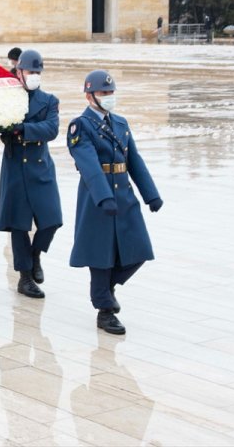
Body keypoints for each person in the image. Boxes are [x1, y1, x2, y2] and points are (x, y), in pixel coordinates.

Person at [66, 70, 163, 334]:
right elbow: (89, 165)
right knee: (101, 254)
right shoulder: (80, 126)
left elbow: (134, 161)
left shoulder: (120, 123)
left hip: (124, 194)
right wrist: (104, 197)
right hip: (97, 198)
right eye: (103, 93)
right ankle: (104, 310)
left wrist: (150, 194)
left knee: (139, 249)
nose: (108, 97)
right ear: (89, 96)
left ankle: (105, 289)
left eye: (111, 92)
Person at [0, 49, 62, 300]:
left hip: (40, 165)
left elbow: (51, 129)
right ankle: (25, 277)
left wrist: (22, 128)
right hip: (15, 166)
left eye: (37, 71)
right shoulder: (8, 98)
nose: (34, 75)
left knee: (52, 219)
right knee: (19, 225)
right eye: (29, 71)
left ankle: (35, 255)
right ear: (19, 71)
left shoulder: (49, 100)